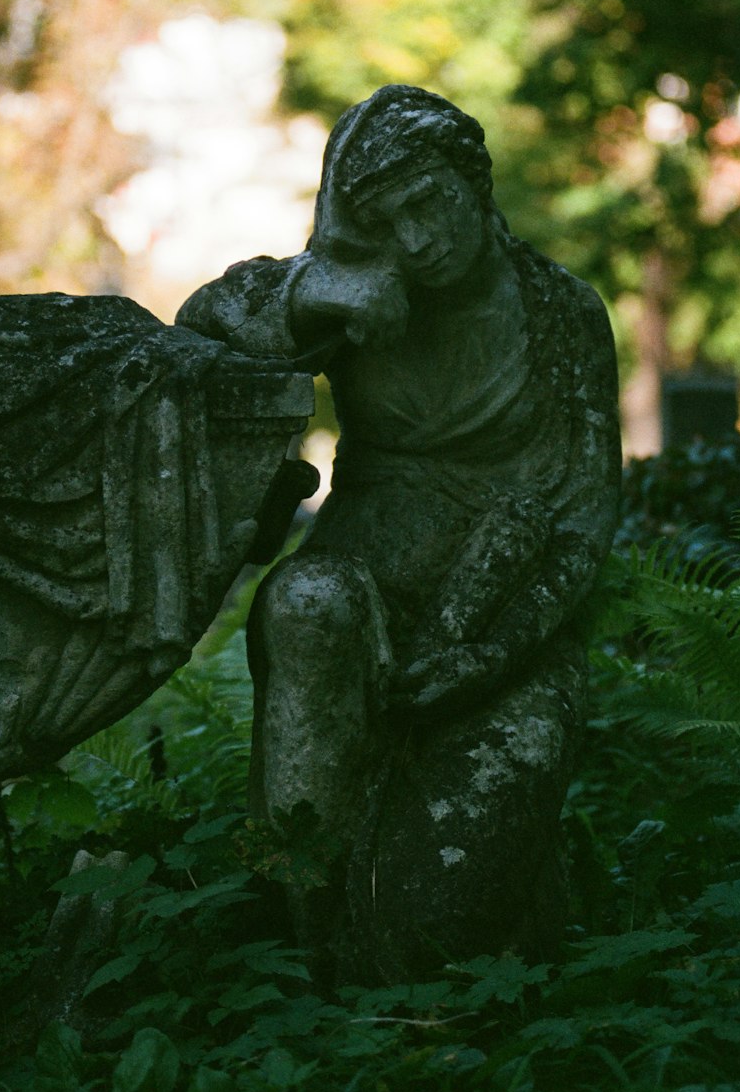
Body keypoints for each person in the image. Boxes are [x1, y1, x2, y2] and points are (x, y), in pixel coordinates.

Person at [178, 84, 621, 982]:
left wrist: (493, 652)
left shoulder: (562, 313)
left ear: (473, 178)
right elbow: (202, 325)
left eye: (428, 203)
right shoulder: (369, 302)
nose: (417, 239)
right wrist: (318, 287)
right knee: (306, 603)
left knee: (440, 926)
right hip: (360, 590)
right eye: (391, 220)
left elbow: (581, 521)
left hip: (501, 629)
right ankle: (303, 952)